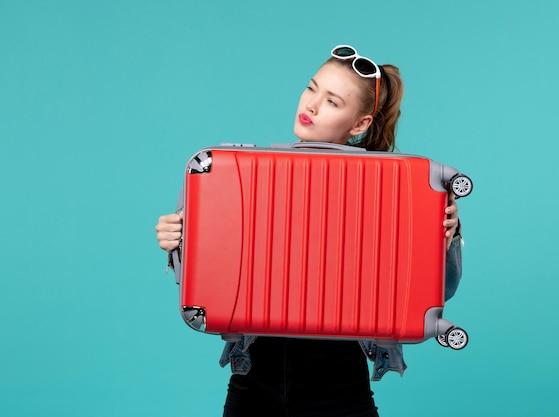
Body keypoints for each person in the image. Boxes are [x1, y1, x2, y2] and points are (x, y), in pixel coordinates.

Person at [155, 45, 464, 417]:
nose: (312, 105)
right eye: (311, 88)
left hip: (339, 385)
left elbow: (431, 292)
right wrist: (177, 243)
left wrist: (444, 240)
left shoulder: (396, 191)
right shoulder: (250, 176)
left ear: (360, 124)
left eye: (333, 101)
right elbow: (211, 277)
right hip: (253, 379)